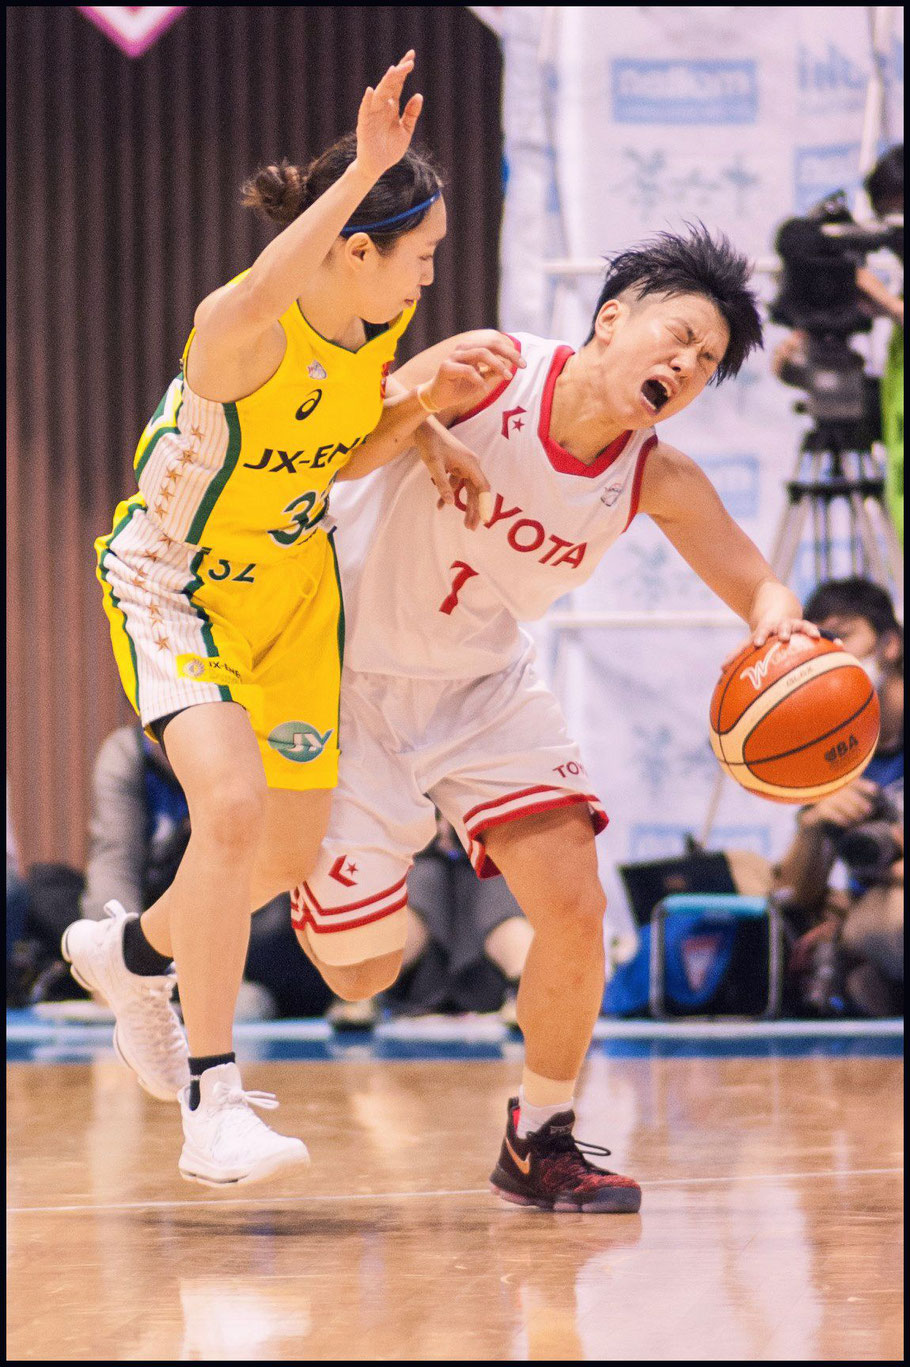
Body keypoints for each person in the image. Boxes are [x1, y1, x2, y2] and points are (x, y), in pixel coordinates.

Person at [290, 224, 821, 1213]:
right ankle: (282, 871)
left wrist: (782, 635)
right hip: (347, 679)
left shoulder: (652, 475)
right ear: (609, 320)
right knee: (361, 972)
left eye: (705, 362)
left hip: (482, 688)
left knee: (576, 910)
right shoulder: (493, 371)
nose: (684, 366)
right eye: (676, 337)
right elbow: (330, 455)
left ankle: (540, 1137)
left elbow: (758, 584)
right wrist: (416, 406)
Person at [62, 51, 518, 1189]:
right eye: (417, 257)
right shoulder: (241, 327)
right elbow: (259, 294)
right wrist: (362, 166)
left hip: (294, 596)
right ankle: (213, 1097)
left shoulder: (368, 348)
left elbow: (326, 456)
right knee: (226, 811)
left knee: (277, 853)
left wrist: (420, 422)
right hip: (177, 583)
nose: (426, 280)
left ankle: (128, 954)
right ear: (352, 248)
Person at [82, 725, 333, 1018]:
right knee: (51, 890)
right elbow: (114, 861)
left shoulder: (260, 743)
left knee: (285, 923)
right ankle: (152, 975)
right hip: (163, 915)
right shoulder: (129, 755)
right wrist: (116, 955)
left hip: (251, 911)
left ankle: (219, 989)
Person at [774, 578, 903, 1017]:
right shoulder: (832, 749)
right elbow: (797, 895)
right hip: (874, 913)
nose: (828, 655)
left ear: (889, 644)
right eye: (818, 642)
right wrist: (813, 825)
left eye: (841, 636)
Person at [327, 813, 533, 1027]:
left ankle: (527, 987)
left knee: (497, 881)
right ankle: (364, 987)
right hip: (420, 970)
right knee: (422, 878)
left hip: (493, 862)